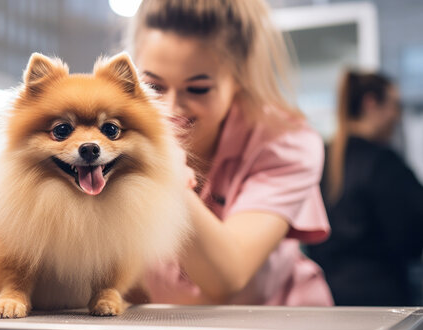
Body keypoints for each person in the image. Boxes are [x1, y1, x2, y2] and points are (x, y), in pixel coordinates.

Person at [128, 0, 333, 305]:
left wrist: (165, 174)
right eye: (154, 86)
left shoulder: (286, 143)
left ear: (239, 79)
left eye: (197, 89)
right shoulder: (114, 136)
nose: (170, 109)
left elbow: (227, 278)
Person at [307, 71, 423, 306]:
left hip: (328, 299)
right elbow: (411, 238)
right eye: (394, 105)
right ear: (371, 103)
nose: (397, 115)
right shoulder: (383, 163)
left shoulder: (320, 157)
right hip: (381, 303)